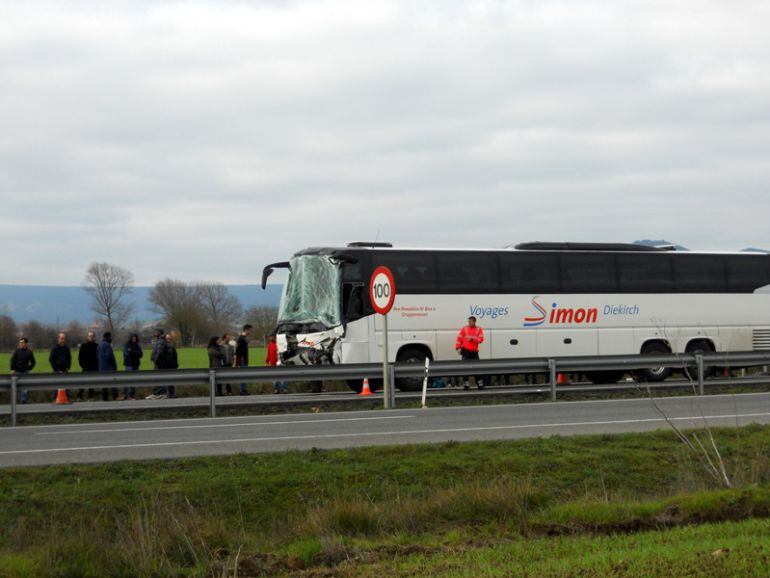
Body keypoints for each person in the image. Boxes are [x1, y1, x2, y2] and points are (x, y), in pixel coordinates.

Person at [455, 316, 485, 390]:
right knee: (465, 369)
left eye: (470, 321)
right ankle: (466, 385)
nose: (469, 323)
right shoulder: (464, 328)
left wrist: (473, 339)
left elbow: (481, 340)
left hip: (474, 352)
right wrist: (458, 347)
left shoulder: (479, 329)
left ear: (474, 322)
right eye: (468, 321)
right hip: (465, 351)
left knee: (477, 369)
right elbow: (459, 338)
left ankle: (480, 385)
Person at [10, 337, 35, 404]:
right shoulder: (16, 351)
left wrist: (29, 368)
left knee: (25, 388)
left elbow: (33, 362)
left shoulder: (29, 352)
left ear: (26, 344)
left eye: (22, 342)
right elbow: (12, 360)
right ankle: (18, 401)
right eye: (20, 342)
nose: (21, 344)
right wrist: (12, 369)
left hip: (25, 372)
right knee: (17, 387)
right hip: (17, 372)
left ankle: (23, 401)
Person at [147, 328, 171, 400]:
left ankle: (157, 393)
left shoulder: (160, 341)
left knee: (157, 378)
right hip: (161, 363)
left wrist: (155, 360)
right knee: (160, 378)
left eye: (156, 332)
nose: (155, 333)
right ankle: (161, 393)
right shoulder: (161, 340)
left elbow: (159, 352)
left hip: (159, 364)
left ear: (160, 333)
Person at [49, 332, 72, 401]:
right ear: (58, 339)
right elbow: (51, 359)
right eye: (61, 338)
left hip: (65, 370)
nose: (63, 340)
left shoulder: (66, 348)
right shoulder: (54, 348)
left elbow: (69, 358)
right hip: (57, 370)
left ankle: (68, 398)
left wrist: (68, 367)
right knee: (56, 385)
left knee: (67, 385)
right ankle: (55, 398)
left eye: (64, 338)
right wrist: (57, 369)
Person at [97, 332, 119, 400]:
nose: (111, 339)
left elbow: (97, 356)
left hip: (101, 367)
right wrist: (114, 365)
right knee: (113, 382)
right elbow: (110, 356)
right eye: (110, 337)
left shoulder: (99, 345)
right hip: (109, 367)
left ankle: (105, 398)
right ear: (108, 337)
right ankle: (115, 396)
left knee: (104, 383)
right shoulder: (107, 345)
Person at [77, 331, 99, 400]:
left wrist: (97, 366)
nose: (91, 337)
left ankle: (90, 396)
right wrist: (82, 365)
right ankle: (79, 396)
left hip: (94, 367)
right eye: (89, 336)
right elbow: (80, 357)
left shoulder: (96, 346)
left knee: (92, 383)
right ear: (87, 337)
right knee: (83, 382)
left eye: (92, 336)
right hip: (85, 367)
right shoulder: (83, 346)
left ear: (94, 337)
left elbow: (98, 357)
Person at [122, 333, 143, 400]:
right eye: (133, 337)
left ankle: (132, 395)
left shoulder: (137, 345)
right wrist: (136, 353)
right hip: (129, 365)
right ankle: (124, 394)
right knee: (127, 380)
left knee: (134, 380)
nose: (134, 338)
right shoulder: (127, 345)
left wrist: (132, 352)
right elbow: (127, 354)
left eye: (135, 337)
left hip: (136, 364)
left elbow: (141, 354)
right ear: (130, 338)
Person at [235, 324, 252, 395]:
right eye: (250, 330)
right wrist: (238, 360)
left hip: (244, 359)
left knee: (244, 375)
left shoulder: (243, 338)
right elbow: (238, 351)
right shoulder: (241, 338)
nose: (251, 331)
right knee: (243, 375)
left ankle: (244, 389)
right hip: (242, 359)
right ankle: (242, 390)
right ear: (246, 330)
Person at [165, 332, 179, 398]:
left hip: (172, 366)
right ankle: (168, 394)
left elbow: (175, 356)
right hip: (166, 366)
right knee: (167, 381)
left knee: (171, 381)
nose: (168, 340)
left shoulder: (172, 346)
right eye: (167, 338)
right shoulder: (164, 346)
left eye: (169, 338)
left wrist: (176, 364)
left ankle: (171, 394)